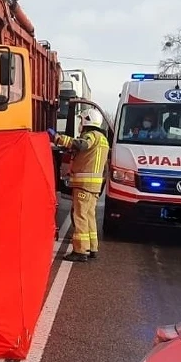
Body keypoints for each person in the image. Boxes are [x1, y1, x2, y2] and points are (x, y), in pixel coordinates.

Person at [48, 107, 110, 262]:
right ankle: (92, 247)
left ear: (87, 120)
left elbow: (81, 145)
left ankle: (80, 251)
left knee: (80, 216)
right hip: (93, 186)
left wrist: (57, 138)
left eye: (81, 120)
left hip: (85, 185)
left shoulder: (91, 136)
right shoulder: (103, 139)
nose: (80, 124)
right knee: (89, 216)